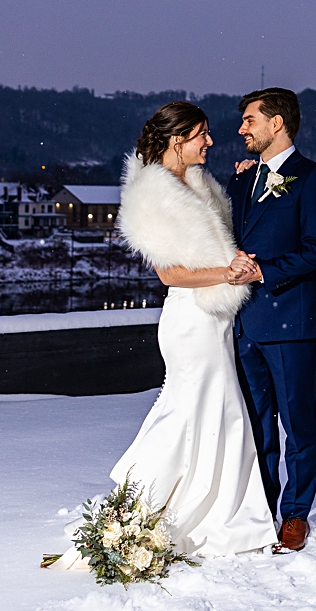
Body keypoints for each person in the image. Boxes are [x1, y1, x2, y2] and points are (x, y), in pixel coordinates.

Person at [46, 100, 276, 566]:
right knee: (195, 410)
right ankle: (141, 511)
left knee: (215, 411)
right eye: (202, 134)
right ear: (177, 139)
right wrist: (229, 274)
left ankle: (216, 512)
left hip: (216, 320)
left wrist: (248, 183)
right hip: (190, 321)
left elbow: (224, 238)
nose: (210, 141)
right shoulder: (153, 193)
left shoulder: (198, 185)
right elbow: (171, 274)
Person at [224, 87, 316, 554]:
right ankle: (261, 508)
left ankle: (295, 515)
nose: (241, 129)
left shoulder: (314, 178)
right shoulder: (241, 180)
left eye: (249, 120)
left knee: (297, 423)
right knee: (256, 426)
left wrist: (264, 271)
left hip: (291, 320)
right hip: (244, 322)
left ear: (277, 123)